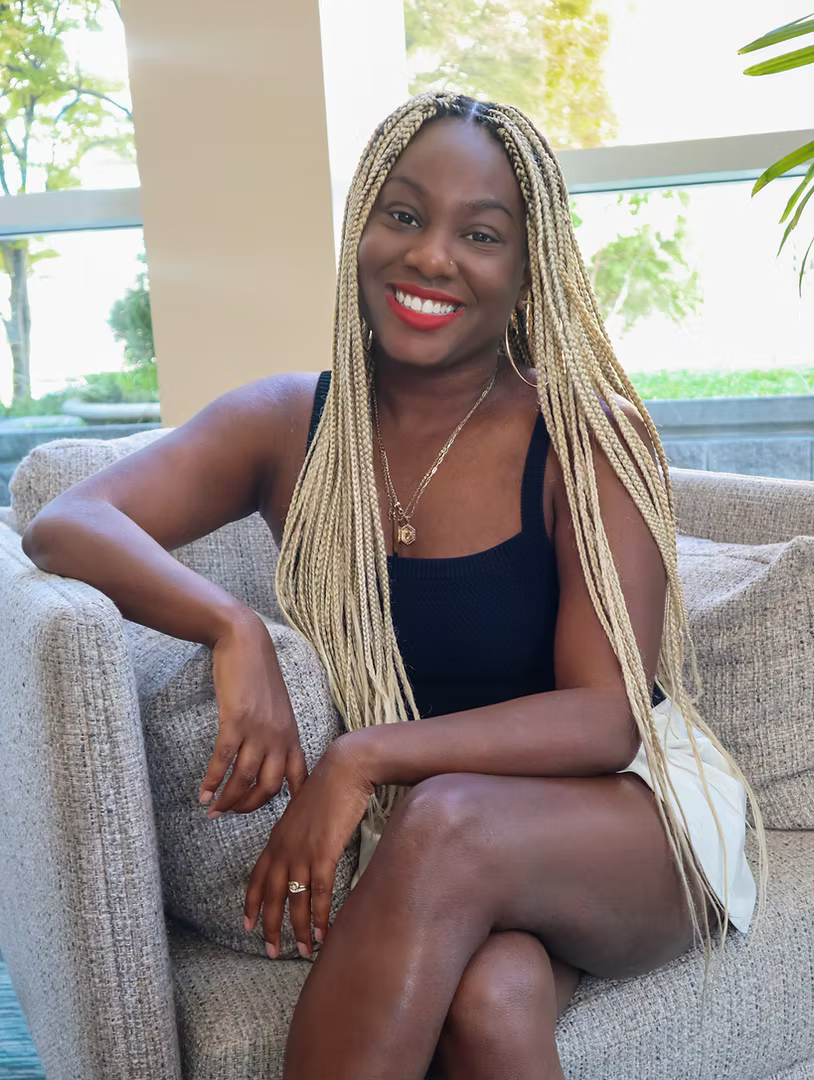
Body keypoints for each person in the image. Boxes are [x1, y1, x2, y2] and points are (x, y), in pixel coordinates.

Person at [22, 93, 765, 1080]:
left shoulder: (586, 434)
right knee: (492, 1003)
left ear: (526, 264)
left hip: (628, 816)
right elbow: (65, 521)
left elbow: (603, 720)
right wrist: (228, 623)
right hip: (456, 833)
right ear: (363, 223)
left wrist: (361, 758)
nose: (430, 257)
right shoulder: (289, 424)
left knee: (447, 818)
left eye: (482, 233)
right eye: (404, 215)